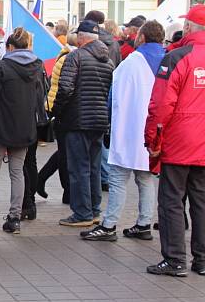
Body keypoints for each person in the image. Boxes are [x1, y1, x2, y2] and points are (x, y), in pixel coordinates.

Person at [81, 20, 165, 241]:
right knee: (145, 178)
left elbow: (114, 94)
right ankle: (144, 223)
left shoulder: (133, 62)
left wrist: (109, 123)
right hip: (154, 130)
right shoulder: (168, 59)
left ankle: (109, 226)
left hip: (130, 128)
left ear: (142, 37)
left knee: (118, 177)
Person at [145, 5, 205, 277]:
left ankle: (175, 259)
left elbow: (161, 104)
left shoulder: (177, 57)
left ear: (190, 27)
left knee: (171, 200)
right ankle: (202, 259)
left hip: (179, 141)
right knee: (201, 201)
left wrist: (152, 139)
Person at [0, 28, 45, 235]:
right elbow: (40, 98)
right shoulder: (38, 66)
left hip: (0, 126)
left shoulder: (3, 66)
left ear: (10, 47)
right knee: (17, 173)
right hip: (25, 127)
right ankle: (15, 218)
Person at [52, 20, 114, 226]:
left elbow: (65, 89)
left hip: (77, 120)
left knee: (78, 169)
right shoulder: (107, 60)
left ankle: (82, 213)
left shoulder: (76, 57)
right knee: (94, 168)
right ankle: (94, 210)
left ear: (81, 37)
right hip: (98, 120)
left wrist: (57, 112)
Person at [36, 33, 76, 204]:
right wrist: (57, 111)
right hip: (62, 111)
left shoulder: (68, 57)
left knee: (65, 152)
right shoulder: (69, 58)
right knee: (66, 154)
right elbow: (64, 88)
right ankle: (67, 192)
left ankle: (41, 179)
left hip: (64, 110)